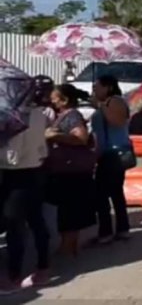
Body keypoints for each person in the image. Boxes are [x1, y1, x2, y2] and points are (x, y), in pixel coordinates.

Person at [0, 86, 50, 293]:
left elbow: (13, 157)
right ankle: (43, 267)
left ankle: (13, 276)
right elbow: (42, 148)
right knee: (36, 221)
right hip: (35, 171)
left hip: (16, 175)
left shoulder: (17, 117)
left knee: (14, 226)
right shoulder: (39, 114)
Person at [45, 84, 96, 257]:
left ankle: (68, 246)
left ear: (65, 100)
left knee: (69, 210)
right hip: (68, 169)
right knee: (69, 210)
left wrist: (54, 136)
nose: (52, 101)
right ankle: (69, 246)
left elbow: (81, 137)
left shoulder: (72, 115)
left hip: (71, 170)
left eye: (55, 99)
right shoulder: (64, 115)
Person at [90, 75, 131, 244]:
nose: (94, 91)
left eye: (96, 87)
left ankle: (107, 232)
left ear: (108, 87)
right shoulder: (105, 105)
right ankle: (121, 229)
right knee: (113, 193)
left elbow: (117, 121)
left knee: (104, 195)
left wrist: (99, 106)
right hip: (108, 153)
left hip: (113, 153)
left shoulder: (115, 101)